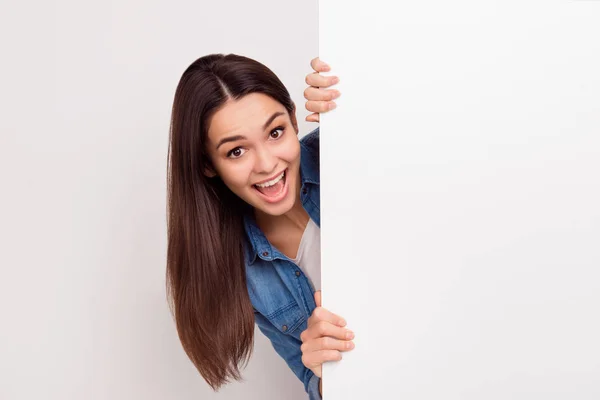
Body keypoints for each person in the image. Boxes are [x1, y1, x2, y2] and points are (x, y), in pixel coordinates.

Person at [166, 53, 353, 400]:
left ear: (295, 119)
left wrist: (358, 99)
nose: (267, 164)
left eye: (275, 132)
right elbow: (320, 391)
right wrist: (323, 371)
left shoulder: (347, 154)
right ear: (208, 165)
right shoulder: (243, 272)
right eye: (237, 151)